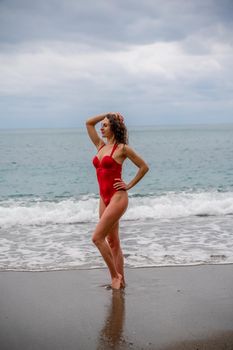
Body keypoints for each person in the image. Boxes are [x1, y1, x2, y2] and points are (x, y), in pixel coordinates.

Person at [86, 112, 149, 289]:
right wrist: (107, 114)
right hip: (103, 198)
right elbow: (89, 123)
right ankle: (121, 281)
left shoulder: (122, 149)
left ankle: (115, 277)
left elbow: (144, 167)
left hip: (117, 197)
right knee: (113, 242)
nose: (102, 127)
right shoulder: (100, 146)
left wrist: (128, 185)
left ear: (114, 127)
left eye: (105, 125)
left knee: (97, 238)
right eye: (103, 125)